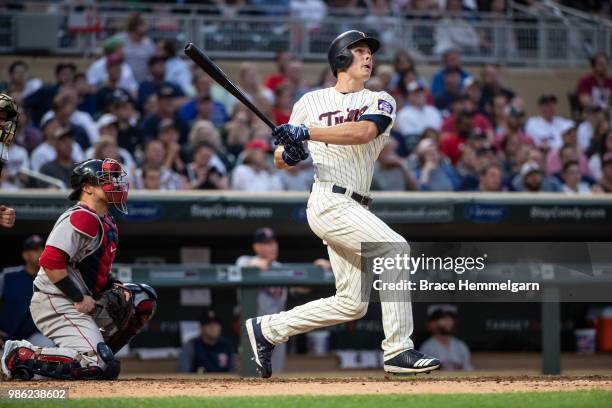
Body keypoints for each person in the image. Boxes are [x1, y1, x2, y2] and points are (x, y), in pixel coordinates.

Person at [245, 30, 440, 379]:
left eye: (370, 52)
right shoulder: (309, 102)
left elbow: (363, 132)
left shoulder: (380, 99)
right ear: (340, 59)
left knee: (352, 303)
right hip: (328, 199)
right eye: (360, 51)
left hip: (357, 205)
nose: (369, 57)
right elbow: (280, 156)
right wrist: (288, 152)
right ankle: (398, 351)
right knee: (395, 249)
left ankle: (268, 329)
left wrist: (305, 134)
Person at [1, 159, 157, 381]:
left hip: (81, 299)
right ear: (87, 187)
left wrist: (114, 285)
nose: (114, 184)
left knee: (143, 298)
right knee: (97, 365)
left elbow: (93, 270)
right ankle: (19, 355)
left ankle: (102, 355)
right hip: (57, 300)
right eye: (106, 180)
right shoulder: (82, 216)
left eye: (114, 179)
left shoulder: (107, 220)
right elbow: (50, 262)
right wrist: (78, 297)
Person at [236, 228, 288, 373]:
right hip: (253, 328)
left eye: (273, 242)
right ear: (256, 247)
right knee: (249, 372)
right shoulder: (244, 261)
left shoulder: (280, 268)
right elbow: (248, 266)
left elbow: (303, 287)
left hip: (277, 329)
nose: (273, 246)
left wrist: (318, 268)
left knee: (274, 374)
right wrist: (258, 264)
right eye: (267, 243)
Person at [0, 235, 53, 348]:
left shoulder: (50, 280)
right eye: (35, 250)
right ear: (25, 255)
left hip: (33, 336)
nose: (41, 253)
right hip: (5, 337)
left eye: (43, 249)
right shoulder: (8, 276)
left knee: (49, 346)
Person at [177, 308, 235, 373]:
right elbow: (183, 374)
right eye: (209, 324)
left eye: (216, 323)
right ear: (201, 327)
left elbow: (233, 373)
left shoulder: (226, 346)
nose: (213, 327)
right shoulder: (191, 345)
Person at [119, 13, 156, 84]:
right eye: (142, 25)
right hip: (124, 81)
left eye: (145, 25)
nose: (145, 28)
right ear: (134, 26)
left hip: (143, 81)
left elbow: (153, 63)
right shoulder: (120, 40)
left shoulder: (149, 43)